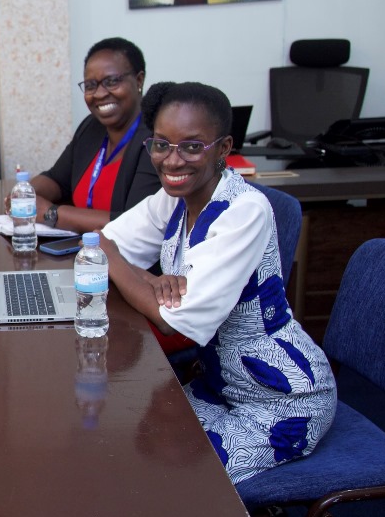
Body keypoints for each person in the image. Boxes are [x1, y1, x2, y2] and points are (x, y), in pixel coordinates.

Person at [99, 81, 335, 484]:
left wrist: (123, 267)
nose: (173, 161)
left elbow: (175, 320)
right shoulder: (174, 196)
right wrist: (149, 281)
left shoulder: (245, 210)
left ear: (223, 148)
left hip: (281, 400)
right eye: (161, 144)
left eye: (192, 146)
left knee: (168, 480)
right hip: (218, 383)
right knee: (122, 443)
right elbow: (106, 241)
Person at [26, 37, 159, 232]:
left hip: (127, 260)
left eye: (111, 82)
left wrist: (51, 213)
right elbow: (57, 179)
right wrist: (24, 194)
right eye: (90, 85)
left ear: (139, 80)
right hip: (80, 251)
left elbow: (135, 224)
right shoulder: (91, 127)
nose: (99, 93)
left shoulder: (156, 139)